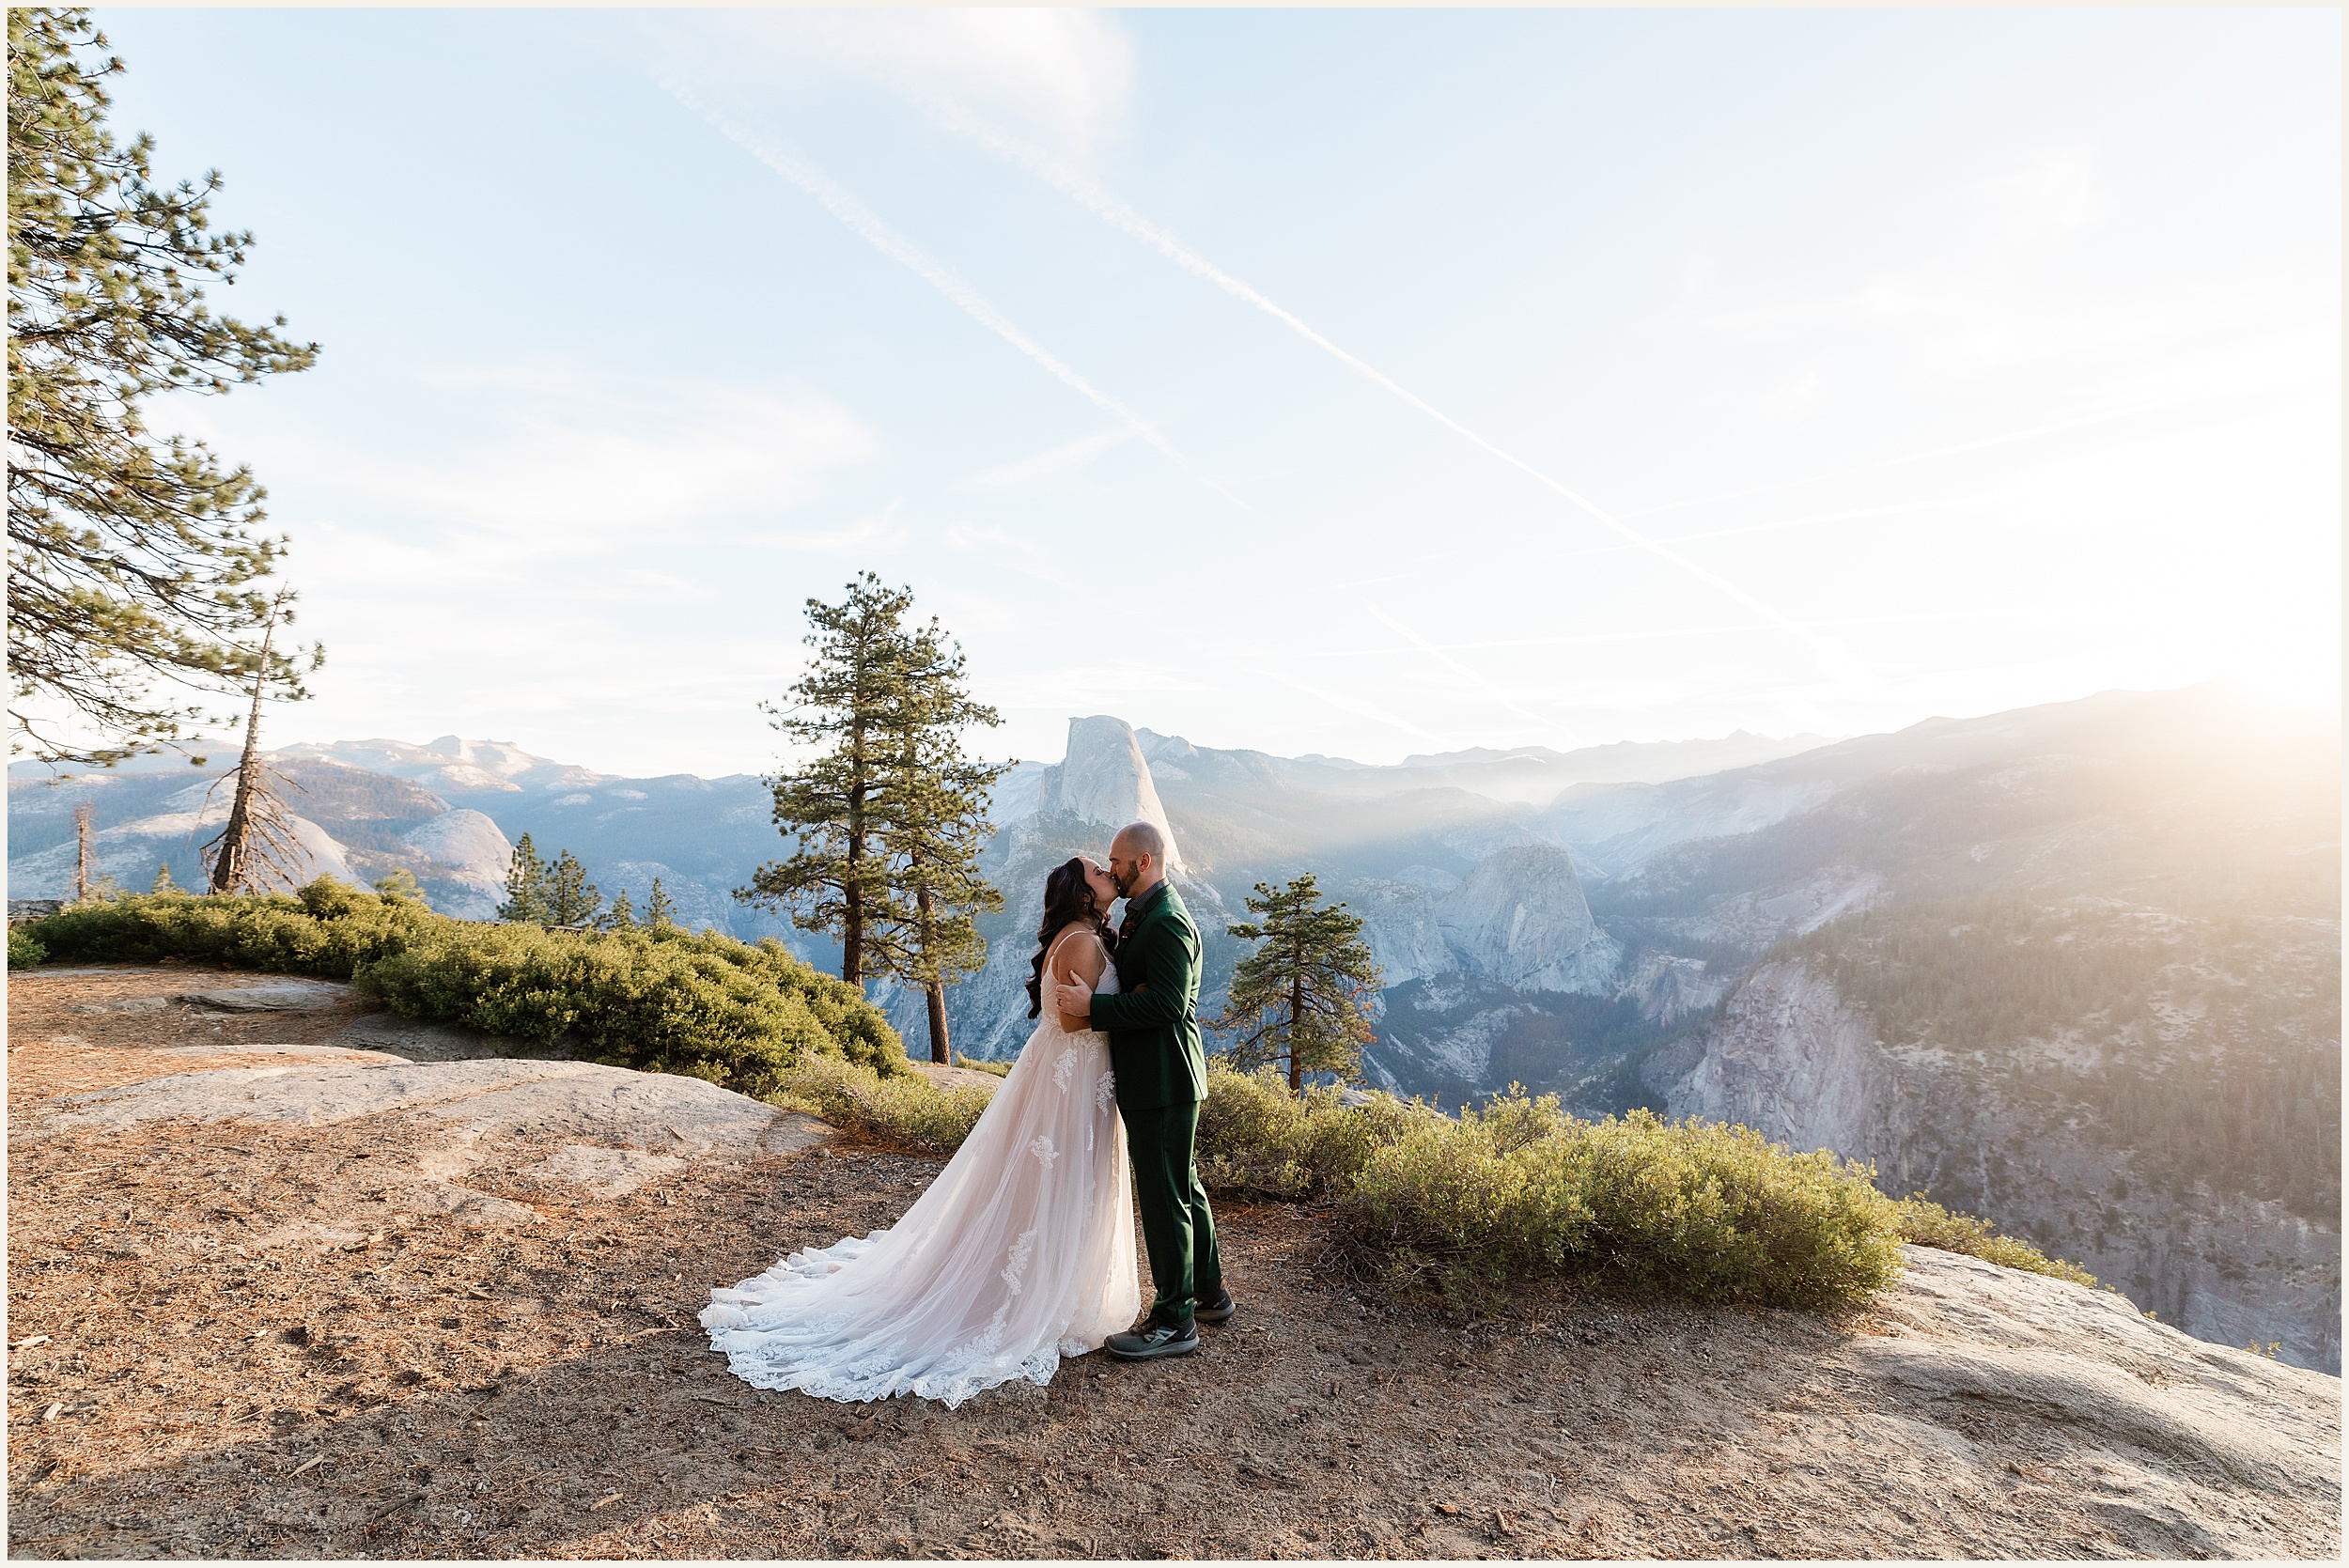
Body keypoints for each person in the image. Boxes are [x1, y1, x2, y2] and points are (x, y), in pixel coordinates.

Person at [700, 856, 1140, 1407]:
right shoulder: (1078, 941)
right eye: (1098, 869)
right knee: (1054, 1181)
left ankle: (1058, 1283)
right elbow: (1076, 1020)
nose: (1107, 871)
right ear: (1081, 893)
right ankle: (1034, 1294)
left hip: (1079, 1078)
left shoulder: (1091, 935)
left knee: (1059, 1183)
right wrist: (1131, 1008)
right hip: (1070, 1081)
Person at [1053, 820, 1233, 1360]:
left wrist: (1096, 1009)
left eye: (1117, 861)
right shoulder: (1143, 915)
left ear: (1145, 862)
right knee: (1182, 1185)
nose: (1111, 869)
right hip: (1160, 1076)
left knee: (1163, 1198)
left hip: (1162, 1077)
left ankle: (1174, 1321)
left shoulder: (1167, 923)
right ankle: (1209, 1294)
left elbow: (1169, 1005)